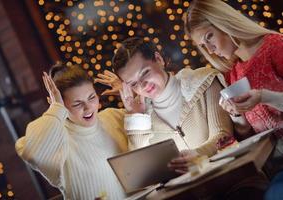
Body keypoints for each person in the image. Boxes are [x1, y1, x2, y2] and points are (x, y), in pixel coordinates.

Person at [95, 37, 233, 174]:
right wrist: (137, 118)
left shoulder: (203, 81)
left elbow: (224, 135)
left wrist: (198, 154)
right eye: (133, 84)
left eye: (145, 73)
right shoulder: (141, 117)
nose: (142, 85)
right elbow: (141, 171)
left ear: (159, 59)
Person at [15, 63, 127, 200]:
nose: (88, 108)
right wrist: (56, 108)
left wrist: (130, 93)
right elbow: (31, 151)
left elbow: (156, 129)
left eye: (91, 97)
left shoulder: (113, 117)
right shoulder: (59, 139)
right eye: (77, 104)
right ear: (60, 104)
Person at [184, 0, 283, 139]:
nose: (210, 50)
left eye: (209, 37)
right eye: (203, 45)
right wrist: (236, 114)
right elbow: (247, 136)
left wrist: (263, 97)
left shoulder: (275, 46)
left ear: (224, 23)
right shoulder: (232, 73)